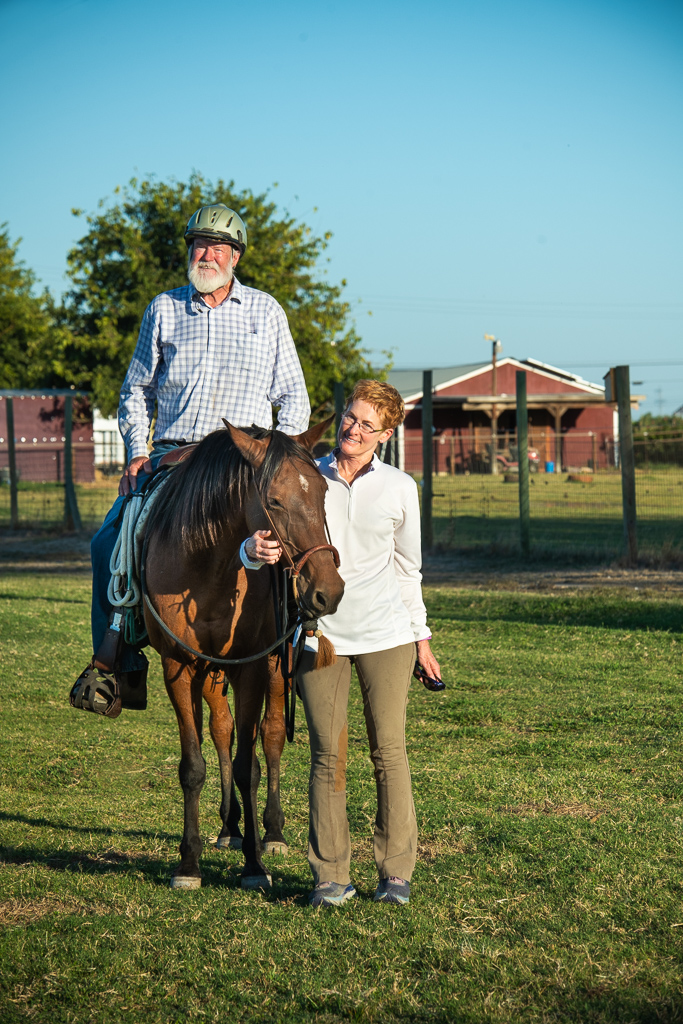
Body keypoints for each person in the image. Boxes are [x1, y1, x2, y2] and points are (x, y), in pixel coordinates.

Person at [72, 203, 310, 715]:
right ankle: (116, 664)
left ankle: (298, 642)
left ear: (235, 256)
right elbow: (135, 389)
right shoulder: (163, 309)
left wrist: (277, 460)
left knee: (292, 540)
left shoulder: (266, 312)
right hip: (175, 460)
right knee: (106, 543)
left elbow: (294, 395)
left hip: (242, 465)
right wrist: (137, 452)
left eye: (217, 247)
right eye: (199, 245)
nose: (206, 254)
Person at [242, 379, 441, 906]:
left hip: (387, 635)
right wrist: (249, 551)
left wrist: (421, 639)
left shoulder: (400, 488)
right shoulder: (309, 472)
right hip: (319, 634)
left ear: (387, 434)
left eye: (367, 425)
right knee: (327, 755)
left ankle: (395, 873)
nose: (353, 429)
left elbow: (408, 569)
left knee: (388, 752)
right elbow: (265, 531)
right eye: (350, 418)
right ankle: (331, 876)